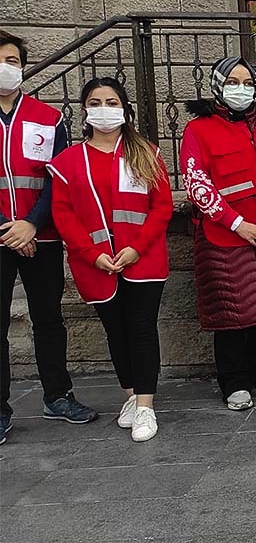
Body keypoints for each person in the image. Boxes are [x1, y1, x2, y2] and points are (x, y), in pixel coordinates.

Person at [47, 78, 172, 442]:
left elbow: (161, 207)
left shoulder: (145, 153)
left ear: (124, 108)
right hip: (97, 264)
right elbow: (64, 214)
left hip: (142, 259)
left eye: (112, 101)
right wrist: (93, 254)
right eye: (96, 101)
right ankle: (130, 396)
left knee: (141, 329)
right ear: (85, 110)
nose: (104, 108)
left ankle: (147, 406)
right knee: (116, 332)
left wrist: (136, 247)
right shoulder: (67, 162)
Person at [180, 57, 256, 411]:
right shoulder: (199, 129)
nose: (241, 89)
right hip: (227, 234)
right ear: (218, 85)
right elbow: (196, 182)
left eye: (247, 82)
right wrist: (237, 223)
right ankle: (233, 379)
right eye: (232, 82)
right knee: (231, 310)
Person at [1, 30, 97, 445]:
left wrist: (32, 225)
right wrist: (9, 228)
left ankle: (58, 396)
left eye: (11, 60)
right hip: (2, 236)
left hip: (43, 235)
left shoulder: (49, 117)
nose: (6, 67)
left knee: (49, 318)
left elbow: (57, 180)